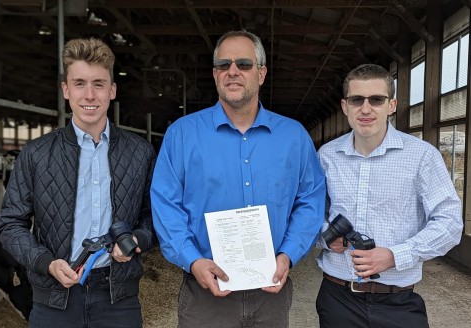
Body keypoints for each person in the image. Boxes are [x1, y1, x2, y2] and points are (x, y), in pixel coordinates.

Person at [151, 30, 326, 328]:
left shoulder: (294, 137)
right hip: (204, 292)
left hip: (271, 292)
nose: (233, 71)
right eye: (223, 65)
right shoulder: (182, 134)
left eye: (244, 64)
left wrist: (288, 254)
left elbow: (310, 200)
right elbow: (166, 204)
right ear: (215, 74)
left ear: (261, 73)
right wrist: (193, 260)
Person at [0, 38, 156, 328]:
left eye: (99, 83)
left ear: (112, 90)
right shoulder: (36, 153)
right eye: (80, 83)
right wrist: (46, 262)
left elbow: (153, 218)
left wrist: (136, 241)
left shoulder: (140, 153)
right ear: (66, 90)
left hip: (118, 298)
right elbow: (10, 224)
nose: (90, 95)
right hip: (55, 298)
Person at [316, 63, 463, 328]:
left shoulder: (422, 156)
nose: (366, 108)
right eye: (357, 99)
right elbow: (309, 212)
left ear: (391, 105)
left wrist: (395, 255)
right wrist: (326, 238)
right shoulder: (327, 156)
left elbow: (450, 223)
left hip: (399, 301)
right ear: (344, 105)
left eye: (376, 99)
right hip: (337, 298)